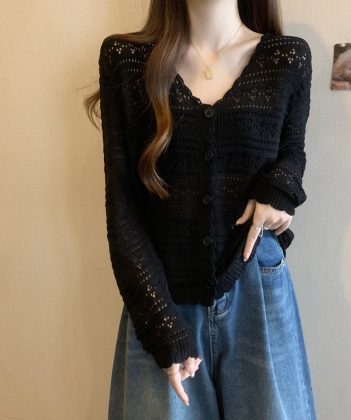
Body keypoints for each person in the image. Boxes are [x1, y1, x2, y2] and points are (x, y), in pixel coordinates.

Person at [84, 0, 317, 418]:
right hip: (159, 293)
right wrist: (161, 326)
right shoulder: (126, 60)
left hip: (258, 287)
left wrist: (280, 191)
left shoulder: (287, 58)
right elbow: (123, 208)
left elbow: (292, 152)